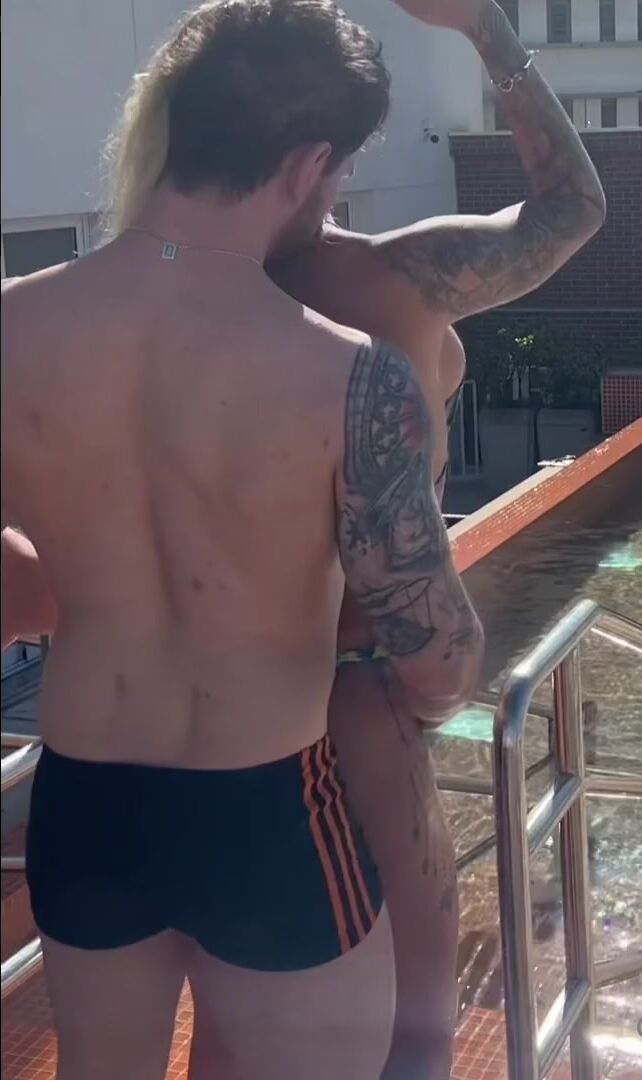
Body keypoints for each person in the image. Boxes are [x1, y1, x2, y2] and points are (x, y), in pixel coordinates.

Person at [4, 0, 606, 1074]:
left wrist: (78, 587)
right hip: (268, 797)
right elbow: (440, 657)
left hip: (84, 793)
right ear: (308, 163)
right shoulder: (347, 370)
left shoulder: (14, 323)